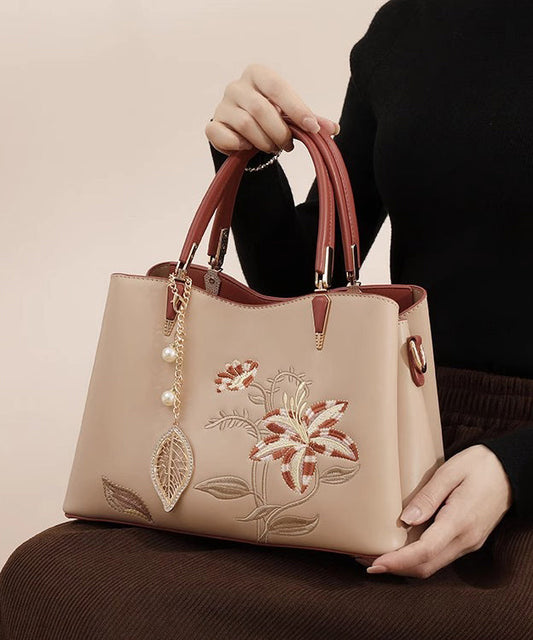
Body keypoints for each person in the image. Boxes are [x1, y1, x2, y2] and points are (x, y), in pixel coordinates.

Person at [205, 0, 533, 580]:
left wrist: (516, 468)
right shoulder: (408, 24)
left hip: (511, 480)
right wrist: (248, 156)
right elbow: (308, 288)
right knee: (58, 580)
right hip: (401, 439)